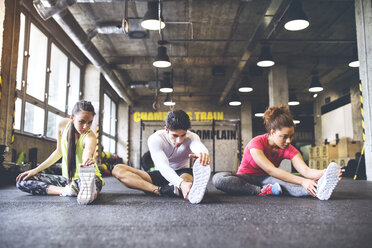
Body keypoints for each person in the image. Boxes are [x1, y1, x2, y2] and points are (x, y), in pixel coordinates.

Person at [213, 105, 342, 200]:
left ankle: (319, 188)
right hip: (245, 179)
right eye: (284, 136)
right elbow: (271, 170)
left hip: (268, 180)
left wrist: (325, 173)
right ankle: (261, 191)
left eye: (291, 136)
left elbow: (305, 171)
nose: (288, 141)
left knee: (288, 184)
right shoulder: (256, 144)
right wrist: (303, 181)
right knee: (218, 179)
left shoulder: (289, 148)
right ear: (272, 132)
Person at [113, 110, 211, 204]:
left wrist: (203, 154)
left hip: (182, 172)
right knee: (117, 169)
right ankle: (160, 190)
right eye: (175, 136)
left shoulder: (192, 137)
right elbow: (162, 166)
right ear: (166, 130)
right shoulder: (155, 139)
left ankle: (186, 187)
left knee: (186, 180)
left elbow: (198, 147)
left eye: (183, 135)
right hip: (161, 173)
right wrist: (180, 184)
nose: (179, 140)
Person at [16, 100, 104, 205]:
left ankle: (90, 191)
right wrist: (35, 170)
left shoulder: (90, 136)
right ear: (72, 118)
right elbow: (58, 152)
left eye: (90, 122)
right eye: (82, 121)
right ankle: (68, 191)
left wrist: (87, 162)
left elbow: (88, 152)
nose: (86, 126)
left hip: (87, 179)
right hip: (68, 181)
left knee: (92, 187)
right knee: (22, 181)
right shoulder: (62, 124)